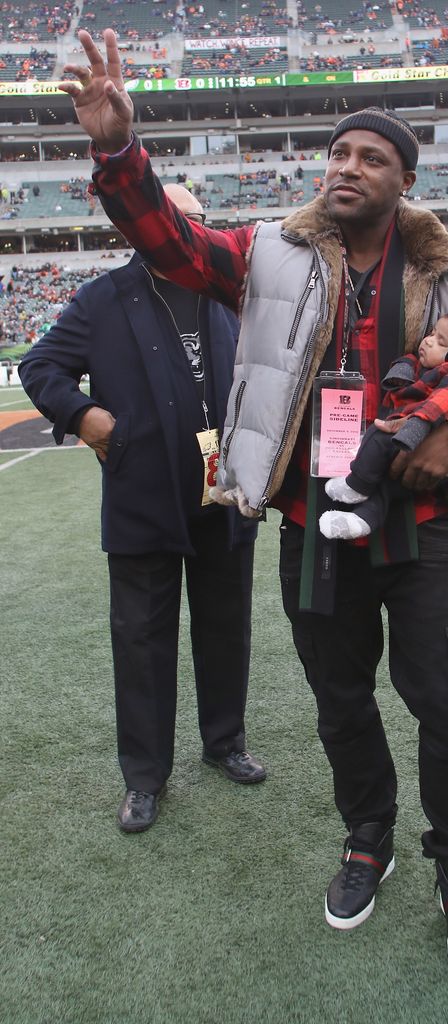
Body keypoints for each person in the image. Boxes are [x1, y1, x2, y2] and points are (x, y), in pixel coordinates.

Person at [58, 30, 448, 978]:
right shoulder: (272, 254)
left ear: (404, 179)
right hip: (312, 525)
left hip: (426, 523)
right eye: (338, 155)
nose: (346, 168)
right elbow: (172, 240)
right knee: (338, 698)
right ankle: (368, 833)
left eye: (370, 158)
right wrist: (120, 152)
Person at [19, 184, 266, 835]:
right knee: (141, 642)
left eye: (200, 224)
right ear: (147, 227)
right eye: (183, 223)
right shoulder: (104, 300)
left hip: (224, 488)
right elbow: (40, 365)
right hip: (143, 497)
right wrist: (87, 417)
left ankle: (224, 742)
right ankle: (145, 777)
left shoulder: (225, 293)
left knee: (226, 625)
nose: (193, 234)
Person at [319, 291, 448, 539]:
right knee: (386, 487)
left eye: (442, 342)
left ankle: (357, 485)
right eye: (432, 334)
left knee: (379, 441)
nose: (429, 341)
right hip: (313, 482)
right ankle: (361, 519)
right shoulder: (425, 363)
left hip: (432, 504)